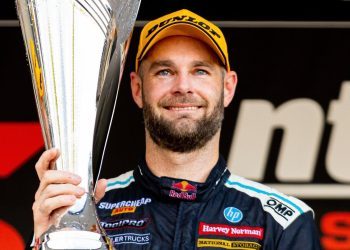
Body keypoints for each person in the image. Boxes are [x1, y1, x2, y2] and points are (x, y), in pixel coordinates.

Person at [31, 9, 321, 249]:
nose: (183, 86)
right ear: (137, 88)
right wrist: (45, 239)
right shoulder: (92, 210)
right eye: (165, 71)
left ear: (228, 87)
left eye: (200, 71)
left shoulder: (283, 222)